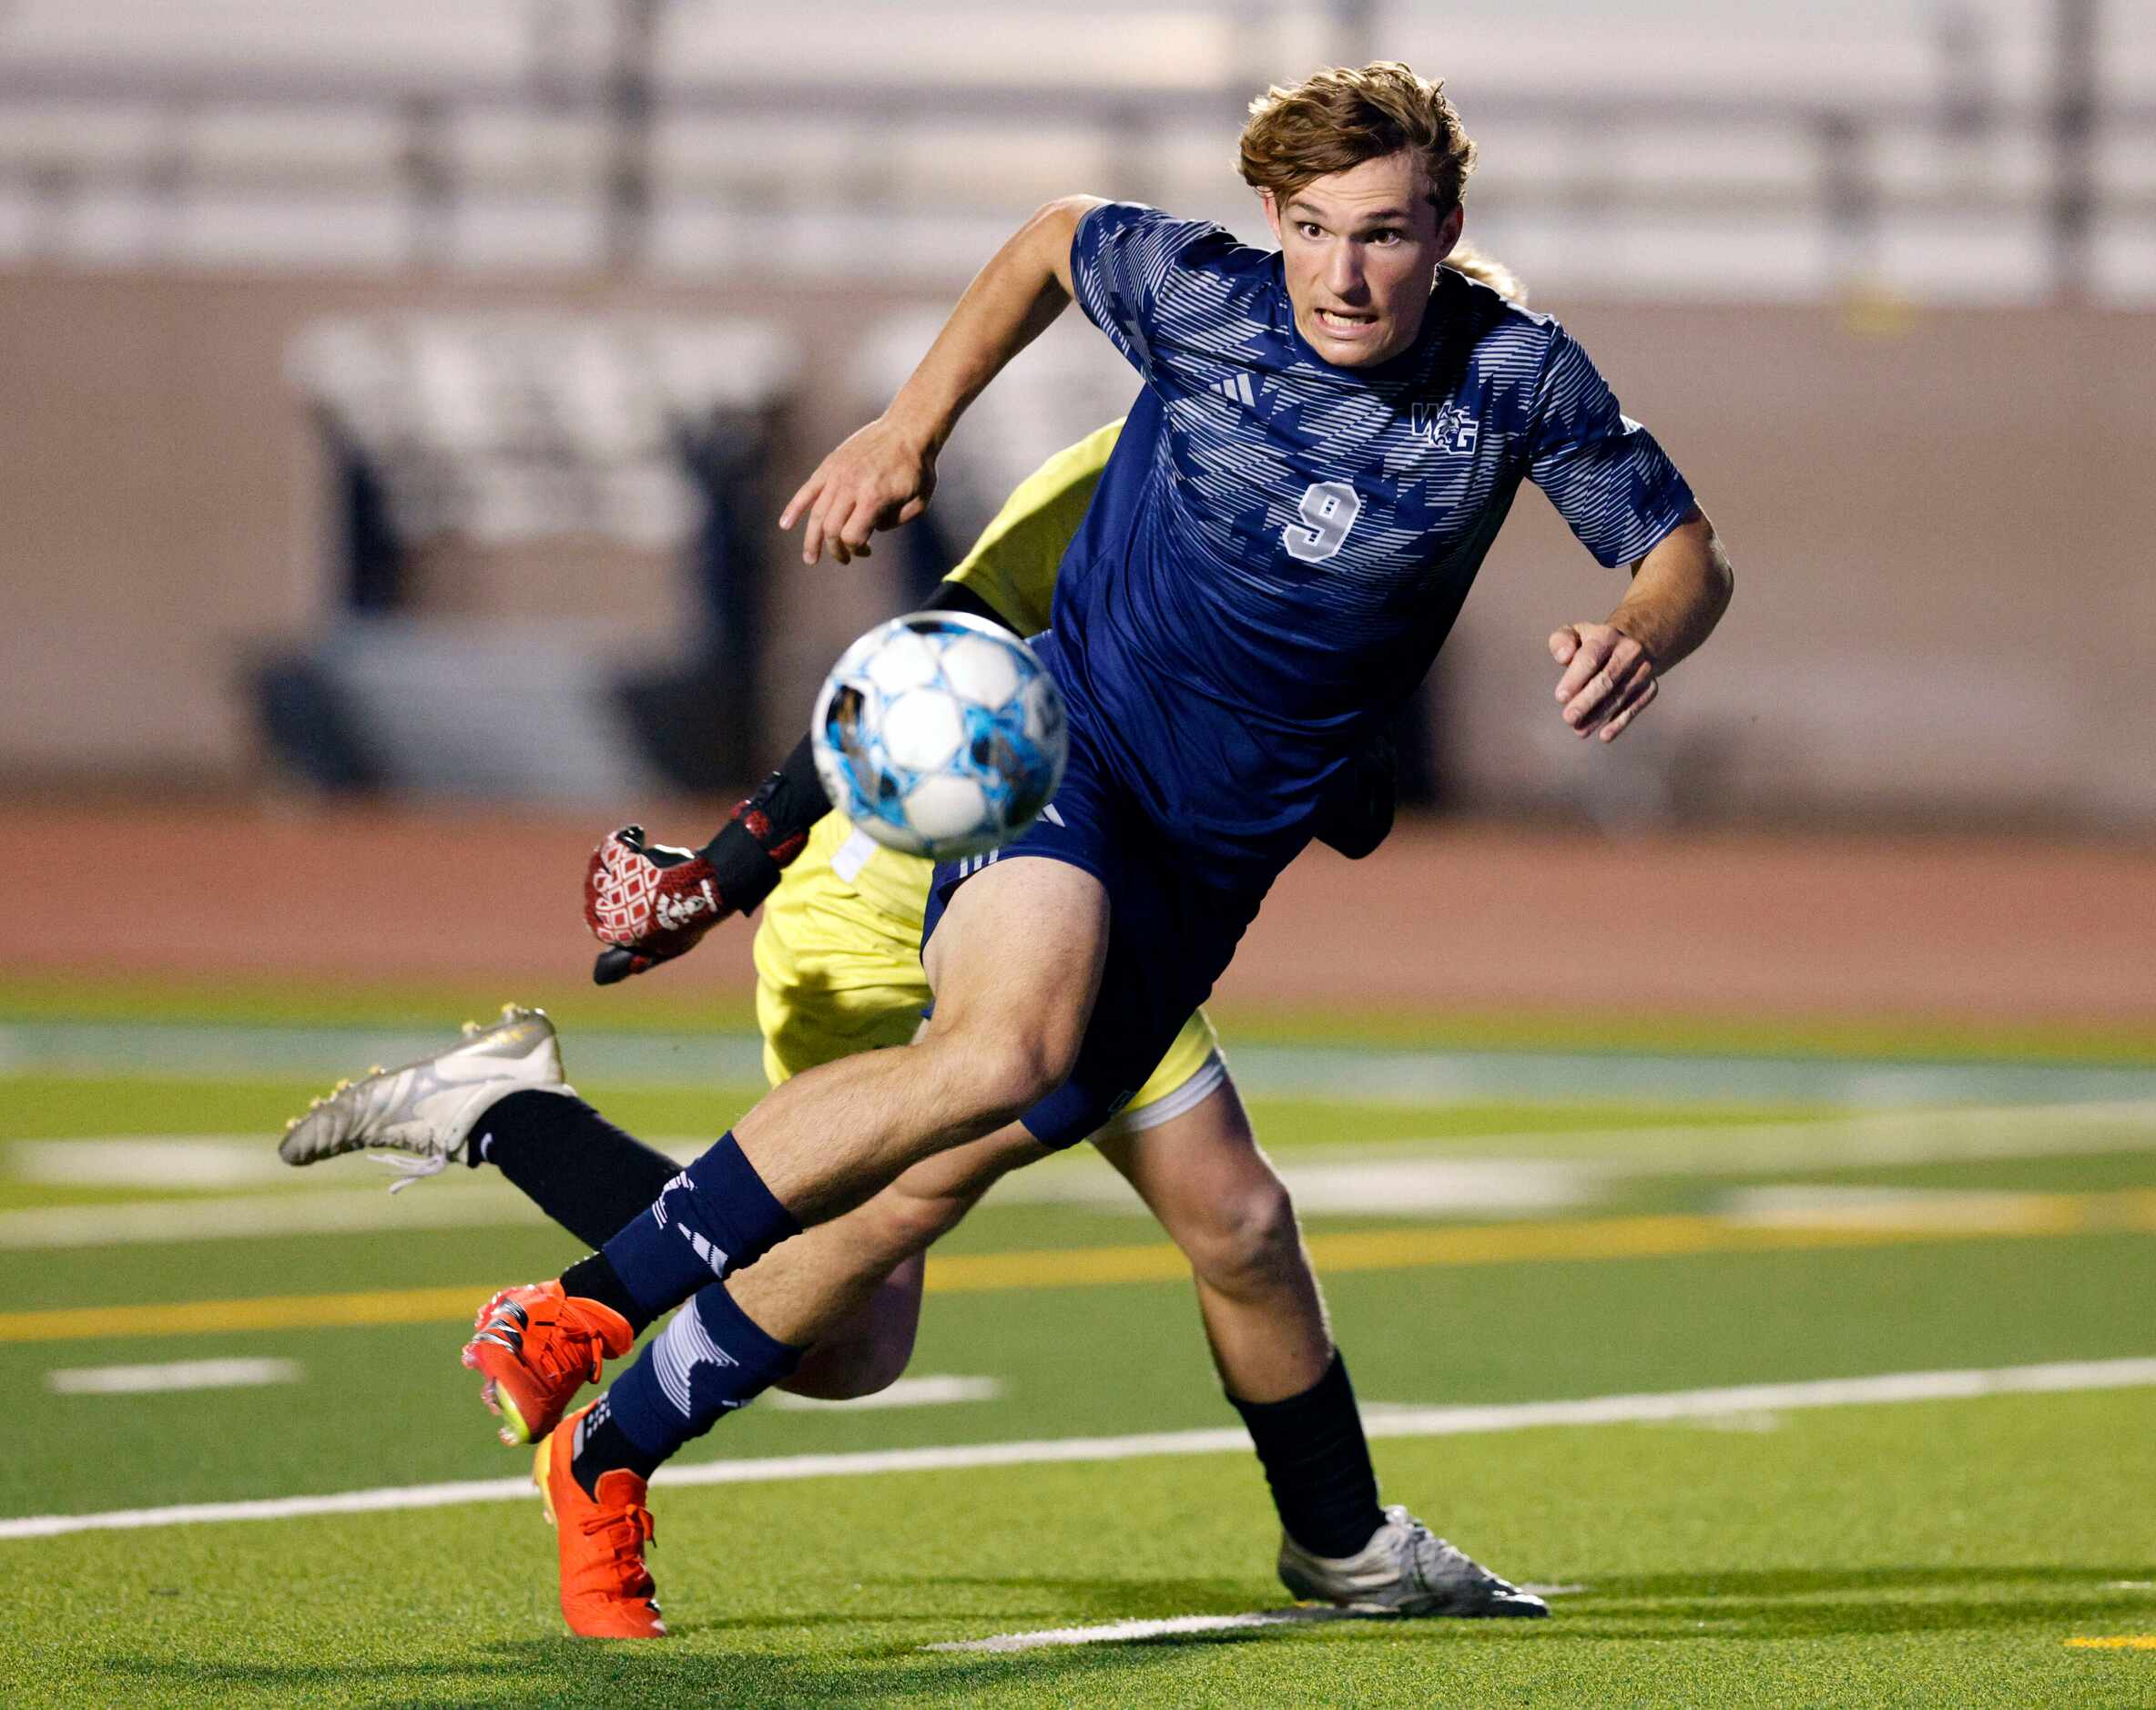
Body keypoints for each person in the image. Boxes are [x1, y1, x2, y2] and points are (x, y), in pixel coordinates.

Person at [299, 60, 1734, 1638]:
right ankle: (579, 1319)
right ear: (1271, 224)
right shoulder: (1194, 337)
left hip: (1195, 877)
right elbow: (956, 589)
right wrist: (899, 446)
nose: (1344, 272)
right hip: (1037, 784)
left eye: (1385, 236)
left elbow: (1680, 553)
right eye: (1315, 230)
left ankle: (614, 1419)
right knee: (1008, 1076)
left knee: (1020, 1235)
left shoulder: (1510, 386)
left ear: (1446, 235)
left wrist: (1634, 635)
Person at [286, 360, 1536, 1638]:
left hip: (1111, 908)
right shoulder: (1157, 451)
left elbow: (1358, 807)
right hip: (904, 896)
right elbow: (922, 661)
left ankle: (1341, 1545)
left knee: (1235, 1221)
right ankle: (544, 1211)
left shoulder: (1382, 537)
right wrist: (727, 868)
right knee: (851, 1319)